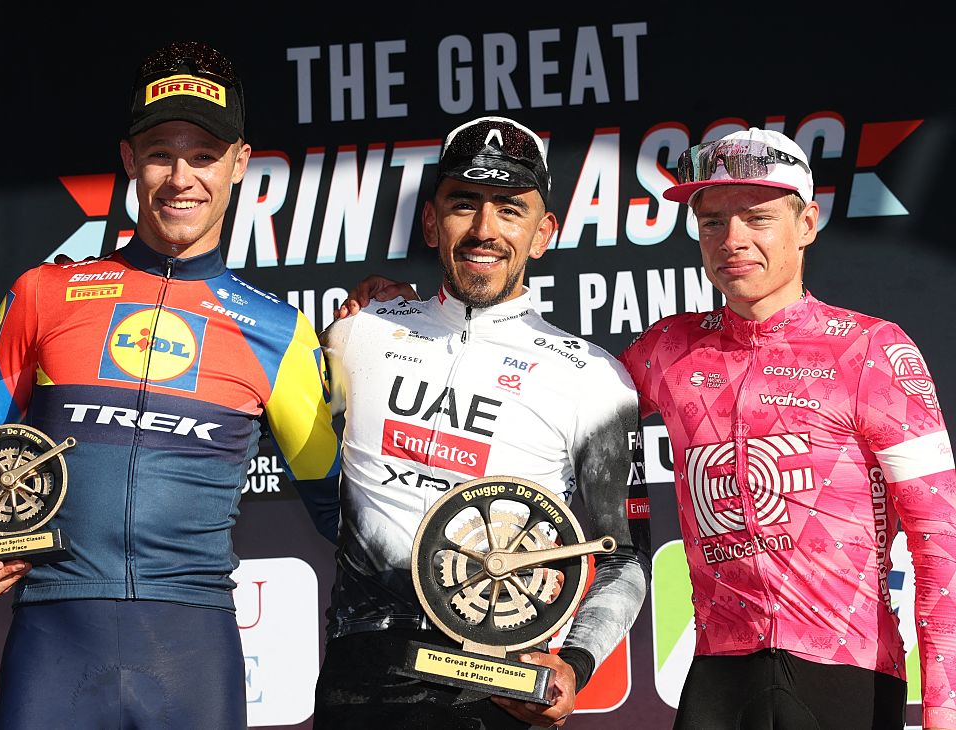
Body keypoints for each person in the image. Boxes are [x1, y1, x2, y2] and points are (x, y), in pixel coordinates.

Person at [339, 127, 956, 729]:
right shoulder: (669, 350)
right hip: (719, 676)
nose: (733, 239)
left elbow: (940, 541)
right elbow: (539, 395)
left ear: (807, 225)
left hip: (845, 672)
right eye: (712, 221)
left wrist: (945, 708)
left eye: (759, 217)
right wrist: (393, 310)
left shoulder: (872, 350)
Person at [0, 40, 341, 729]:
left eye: (205, 155)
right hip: (52, 645)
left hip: (191, 656)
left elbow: (343, 508)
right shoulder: (44, 293)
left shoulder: (278, 331)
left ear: (240, 163)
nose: (182, 178)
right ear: (129, 159)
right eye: (160, 154)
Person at [313, 115, 652, 730]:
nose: (485, 230)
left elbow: (622, 561)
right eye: (464, 204)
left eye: (510, 208)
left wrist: (573, 662)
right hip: (364, 675)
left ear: (544, 231)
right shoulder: (354, 335)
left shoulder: (594, 379)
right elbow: (308, 471)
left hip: (498, 683)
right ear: (429, 221)